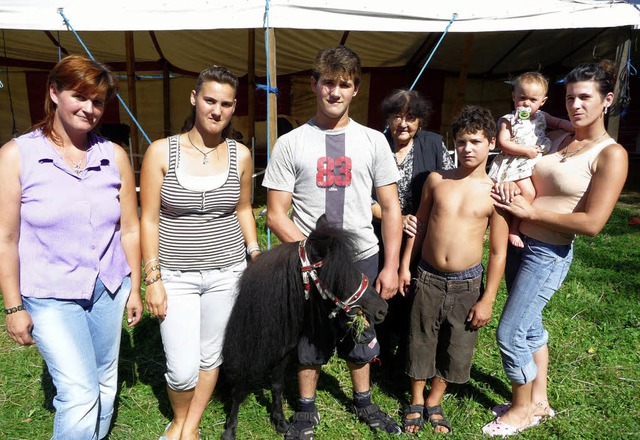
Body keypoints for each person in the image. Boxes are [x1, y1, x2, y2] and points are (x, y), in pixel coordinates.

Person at [263, 45, 403, 439]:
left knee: (360, 329)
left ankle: (363, 400)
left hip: (361, 256)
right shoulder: (291, 143)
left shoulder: (374, 141)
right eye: (328, 83)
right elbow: (275, 213)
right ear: (314, 84)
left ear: (356, 89)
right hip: (310, 262)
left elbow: (390, 207)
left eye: (344, 84)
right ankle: (306, 407)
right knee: (310, 331)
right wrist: (312, 257)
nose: (335, 92)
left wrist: (391, 265)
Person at [482, 61, 628, 437]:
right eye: (570, 97)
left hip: (547, 254)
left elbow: (593, 223)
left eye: (585, 97)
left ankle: (520, 410)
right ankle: (540, 402)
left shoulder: (611, 154)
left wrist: (530, 211)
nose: (575, 105)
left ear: (607, 100)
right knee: (530, 327)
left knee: (510, 332)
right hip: (519, 243)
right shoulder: (561, 139)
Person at [0, 54, 142, 439]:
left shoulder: (113, 156)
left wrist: (135, 288)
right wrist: (13, 306)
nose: (89, 108)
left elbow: (129, 229)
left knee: (105, 382)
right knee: (79, 394)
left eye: (98, 101)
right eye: (80, 96)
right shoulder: (17, 156)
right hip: (49, 293)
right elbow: (6, 238)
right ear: (53, 92)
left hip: (108, 288)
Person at [140, 65, 259, 440]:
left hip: (227, 272)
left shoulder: (240, 154)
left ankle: (188, 427)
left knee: (211, 357)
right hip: (176, 275)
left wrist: (255, 254)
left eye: (225, 104)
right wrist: (152, 278)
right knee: (180, 368)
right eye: (209, 100)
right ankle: (179, 418)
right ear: (194, 98)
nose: (216, 110)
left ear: (233, 107)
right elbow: (148, 220)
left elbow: (243, 209)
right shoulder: (161, 151)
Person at [397, 105, 509, 434]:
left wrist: (487, 298)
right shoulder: (437, 180)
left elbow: (499, 252)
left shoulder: (495, 193)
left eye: (475, 141)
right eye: (460, 142)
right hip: (428, 276)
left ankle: (435, 399)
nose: (467, 148)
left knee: (457, 345)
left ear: (491, 143)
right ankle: (416, 399)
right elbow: (417, 226)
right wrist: (406, 266)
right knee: (421, 338)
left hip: (467, 283)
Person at [372, 88, 455, 373]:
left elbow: (450, 183)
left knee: (415, 293)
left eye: (410, 117)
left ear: (420, 121)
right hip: (380, 232)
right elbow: (362, 197)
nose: (403, 124)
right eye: (397, 116)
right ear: (388, 118)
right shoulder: (376, 144)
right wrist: (395, 218)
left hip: (424, 234)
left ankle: (409, 354)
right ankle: (379, 354)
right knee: (383, 289)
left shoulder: (433, 144)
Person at [488, 72, 574, 248]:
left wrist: (576, 128)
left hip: (531, 162)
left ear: (542, 101)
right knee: (528, 193)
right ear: (514, 96)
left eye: (533, 100)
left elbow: (558, 123)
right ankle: (514, 228)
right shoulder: (509, 120)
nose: (527, 103)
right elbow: (503, 143)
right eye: (522, 98)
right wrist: (525, 151)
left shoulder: (543, 117)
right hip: (515, 163)